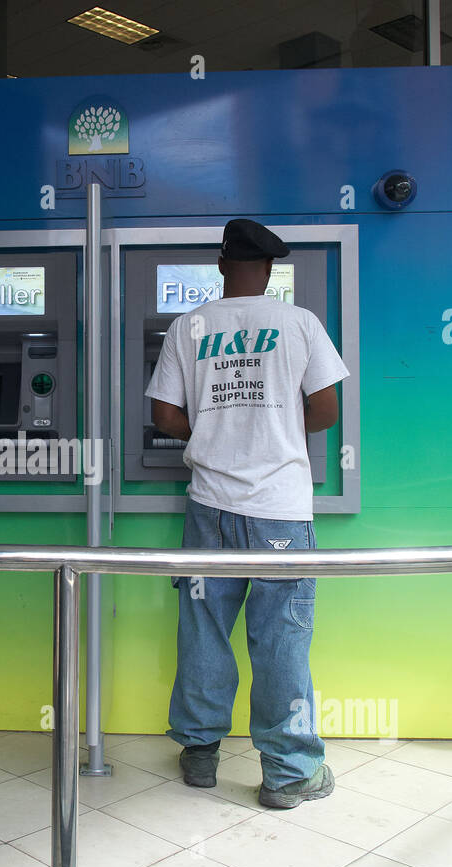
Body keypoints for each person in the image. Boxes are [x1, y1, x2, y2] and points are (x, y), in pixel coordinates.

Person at [145, 218, 348, 810]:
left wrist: (213, 430)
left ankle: (200, 753)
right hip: (281, 512)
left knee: (203, 628)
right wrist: (277, 429)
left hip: (208, 505)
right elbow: (326, 409)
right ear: (269, 270)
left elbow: (163, 415)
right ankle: (288, 773)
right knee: (282, 637)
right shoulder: (300, 323)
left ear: (221, 266)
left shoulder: (190, 325)